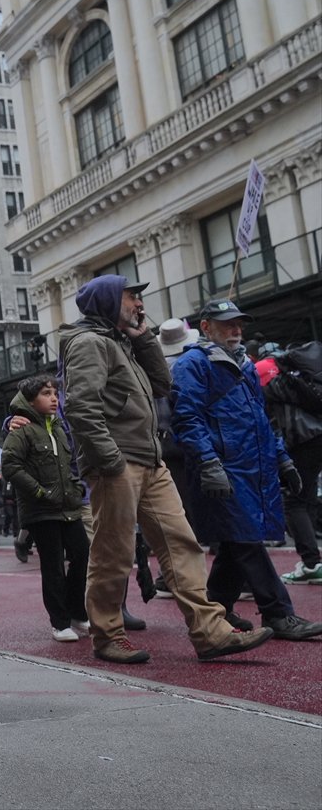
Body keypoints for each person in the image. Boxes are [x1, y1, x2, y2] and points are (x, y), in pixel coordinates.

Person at [59, 274, 272, 663]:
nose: (140, 305)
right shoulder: (89, 343)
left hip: (147, 458)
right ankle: (107, 636)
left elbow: (161, 386)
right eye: (130, 299)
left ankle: (210, 631)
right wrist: (109, 460)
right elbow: (80, 408)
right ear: (108, 301)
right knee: (114, 553)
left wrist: (142, 339)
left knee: (181, 545)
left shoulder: (121, 342)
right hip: (118, 462)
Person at [171, 300, 322, 640]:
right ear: (206, 327)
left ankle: (217, 612)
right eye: (228, 324)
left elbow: (261, 420)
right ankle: (279, 613)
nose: (237, 330)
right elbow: (187, 418)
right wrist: (208, 462)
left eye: (239, 323)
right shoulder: (193, 364)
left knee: (236, 541)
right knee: (245, 540)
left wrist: (282, 458)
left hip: (249, 467)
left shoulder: (246, 366)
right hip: (224, 467)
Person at [2, 375, 90, 642]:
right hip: (41, 511)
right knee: (53, 566)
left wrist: (76, 488)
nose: (54, 398)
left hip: (68, 507)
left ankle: (77, 613)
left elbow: (68, 465)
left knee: (82, 555)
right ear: (30, 401)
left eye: (55, 393)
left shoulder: (58, 429)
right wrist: (39, 491)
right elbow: (9, 466)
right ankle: (59, 622)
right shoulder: (23, 430)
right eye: (45, 393)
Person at [151, 318, 202, 598]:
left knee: (176, 511)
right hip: (189, 445)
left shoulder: (156, 369)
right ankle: (179, 577)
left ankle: (170, 575)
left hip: (167, 447)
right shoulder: (189, 367)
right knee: (189, 512)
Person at [264, 341, 322, 586]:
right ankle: (312, 561)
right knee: (307, 498)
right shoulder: (309, 379)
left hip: (302, 440)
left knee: (294, 501)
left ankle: (311, 563)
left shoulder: (277, 382)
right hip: (318, 437)